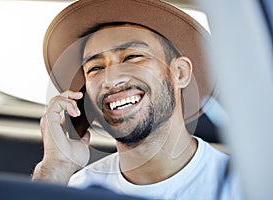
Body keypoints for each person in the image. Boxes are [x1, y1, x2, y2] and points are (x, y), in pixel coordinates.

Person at [32, 0, 233, 199]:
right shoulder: (74, 188)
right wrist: (55, 169)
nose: (111, 80)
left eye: (132, 57)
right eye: (95, 68)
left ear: (179, 73)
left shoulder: (240, 186)